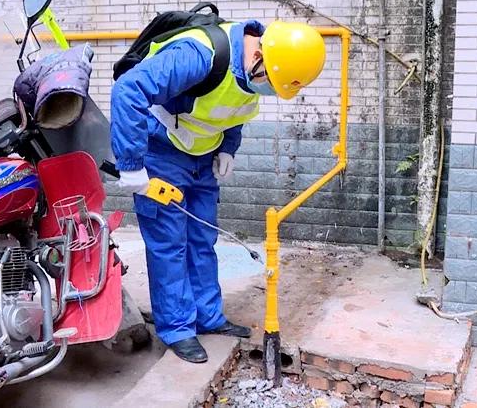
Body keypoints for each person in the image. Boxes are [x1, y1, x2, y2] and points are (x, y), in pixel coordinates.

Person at [110, 19, 326, 363]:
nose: (269, 89)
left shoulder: (253, 71)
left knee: (202, 239)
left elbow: (236, 107)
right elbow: (127, 90)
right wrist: (131, 163)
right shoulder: (198, 54)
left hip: (203, 157)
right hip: (162, 153)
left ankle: (208, 317)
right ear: (259, 55)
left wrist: (229, 147)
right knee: (169, 245)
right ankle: (178, 329)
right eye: (269, 80)